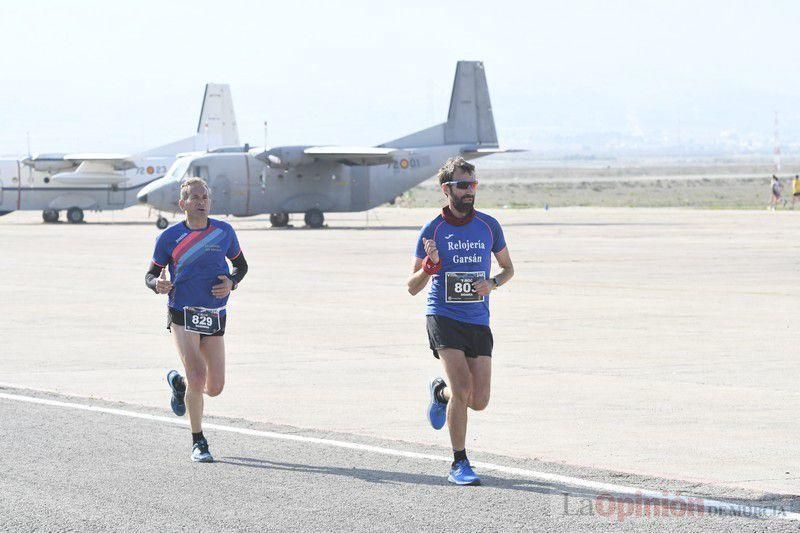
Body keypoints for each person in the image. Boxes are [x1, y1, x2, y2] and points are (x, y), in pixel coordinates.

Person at [407, 157, 514, 485]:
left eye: (473, 184)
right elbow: (412, 287)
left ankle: (440, 396)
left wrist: (492, 284)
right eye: (463, 185)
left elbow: (508, 269)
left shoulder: (488, 226)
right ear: (447, 189)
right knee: (462, 388)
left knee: (478, 400)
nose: (470, 191)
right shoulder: (432, 230)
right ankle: (459, 463)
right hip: (444, 315)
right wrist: (430, 266)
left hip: (478, 319)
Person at [144, 177, 248, 462]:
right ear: (183, 204)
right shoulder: (168, 238)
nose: (201, 202)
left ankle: (179, 386)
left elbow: (241, 266)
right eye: (194, 198)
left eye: (204, 197)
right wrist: (158, 285)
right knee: (197, 375)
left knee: (214, 388)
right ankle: (198, 441)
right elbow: (150, 275)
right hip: (183, 313)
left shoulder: (224, 232)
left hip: (214, 315)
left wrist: (232, 283)